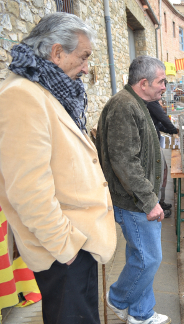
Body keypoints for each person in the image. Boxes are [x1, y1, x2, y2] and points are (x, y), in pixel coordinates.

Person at [0, 12, 116, 323]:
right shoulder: (22, 96)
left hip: (76, 242)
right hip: (63, 251)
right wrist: (67, 248)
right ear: (56, 52)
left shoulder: (47, 89)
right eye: (84, 57)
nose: (87, 67)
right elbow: (27, 189)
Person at [96, 56, 171, 324]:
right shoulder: (124, 107)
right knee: (149, 259)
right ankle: (117, 298)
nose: (164, 86)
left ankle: (141, 314)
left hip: (138, 198)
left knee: (140, 255)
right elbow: (124, 161)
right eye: (161, 81)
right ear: (143, 82)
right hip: (134, 201)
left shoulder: (136, 103)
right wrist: (150, 201)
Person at [146, 99, 178, 215]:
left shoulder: (149, 101)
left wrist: (170, 131)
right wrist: (174, 130)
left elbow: (159, 123)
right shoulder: (151, 101)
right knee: (160, 172)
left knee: (162, 171)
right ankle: (158, 204)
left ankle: (160, 201)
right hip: (152, 143)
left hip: (154, 141)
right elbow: (163, 118)